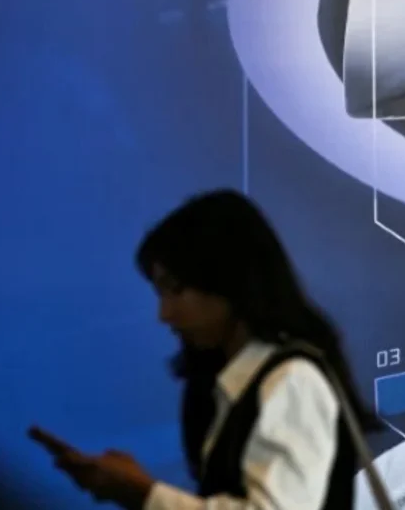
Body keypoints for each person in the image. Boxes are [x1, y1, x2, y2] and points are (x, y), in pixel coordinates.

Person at [31, 189, 383, 510]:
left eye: (175, 290)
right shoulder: (226, 381)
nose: (164, 314)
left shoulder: (291, 381)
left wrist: (143, 493)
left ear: (227, 280)